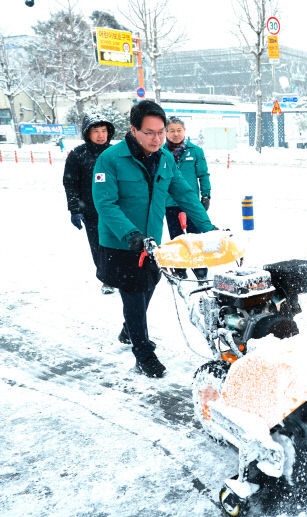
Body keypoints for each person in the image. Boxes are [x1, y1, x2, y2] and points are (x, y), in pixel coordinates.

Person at [92, 100, 216, 378]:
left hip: (151, 241)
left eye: (160, 132)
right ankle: (143, 353)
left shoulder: (166, 158)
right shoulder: (110, 159)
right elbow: (105, 203)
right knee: (134, 295)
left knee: (149, 284)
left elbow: (185, 194)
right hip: (120, 243)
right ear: (134, 130)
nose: (157, 138)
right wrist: (130, 234)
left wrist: (208, 228)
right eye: (149, 132)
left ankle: (129, 329)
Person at [62, 112, 116, 294]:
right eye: (96, 131)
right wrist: (75, 209)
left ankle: (120, 275)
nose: (101, 135)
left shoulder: (116, 153)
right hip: (91, 211)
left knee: (118, 244)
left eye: (104, 131)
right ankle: (106, 279)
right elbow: (70, 183)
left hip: (117, 209)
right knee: (99, 245)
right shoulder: (78, 155)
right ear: (87, 133)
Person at [163, 116, 211, 280]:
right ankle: (180, 270)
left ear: (184, 131)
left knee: (195, 237)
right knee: (176, 238)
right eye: (171, 131)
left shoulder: (195, 151)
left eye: (179, 130)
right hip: (169, 203)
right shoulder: (161, 152)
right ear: (165, 132)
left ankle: (200, 271)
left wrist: (206, 194)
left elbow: (203, 175)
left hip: (191, 203)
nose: (175, 134)